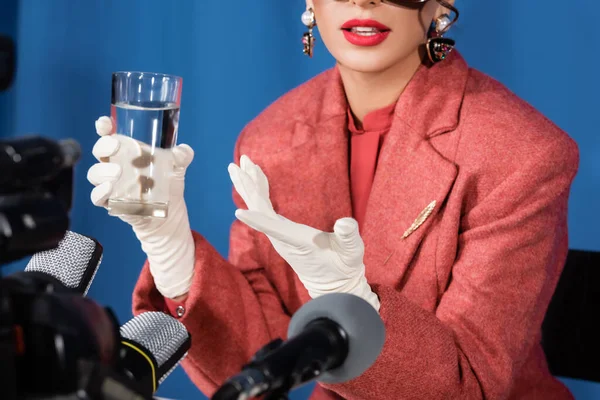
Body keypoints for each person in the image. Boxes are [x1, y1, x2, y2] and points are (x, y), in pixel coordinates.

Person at [87, 0, 580, 399]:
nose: (364, 1)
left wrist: (357, 303)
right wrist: (174, 253)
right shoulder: (269, 139)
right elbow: (257, 361)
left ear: (441, 4)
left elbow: (467, 387)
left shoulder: (523, 155)